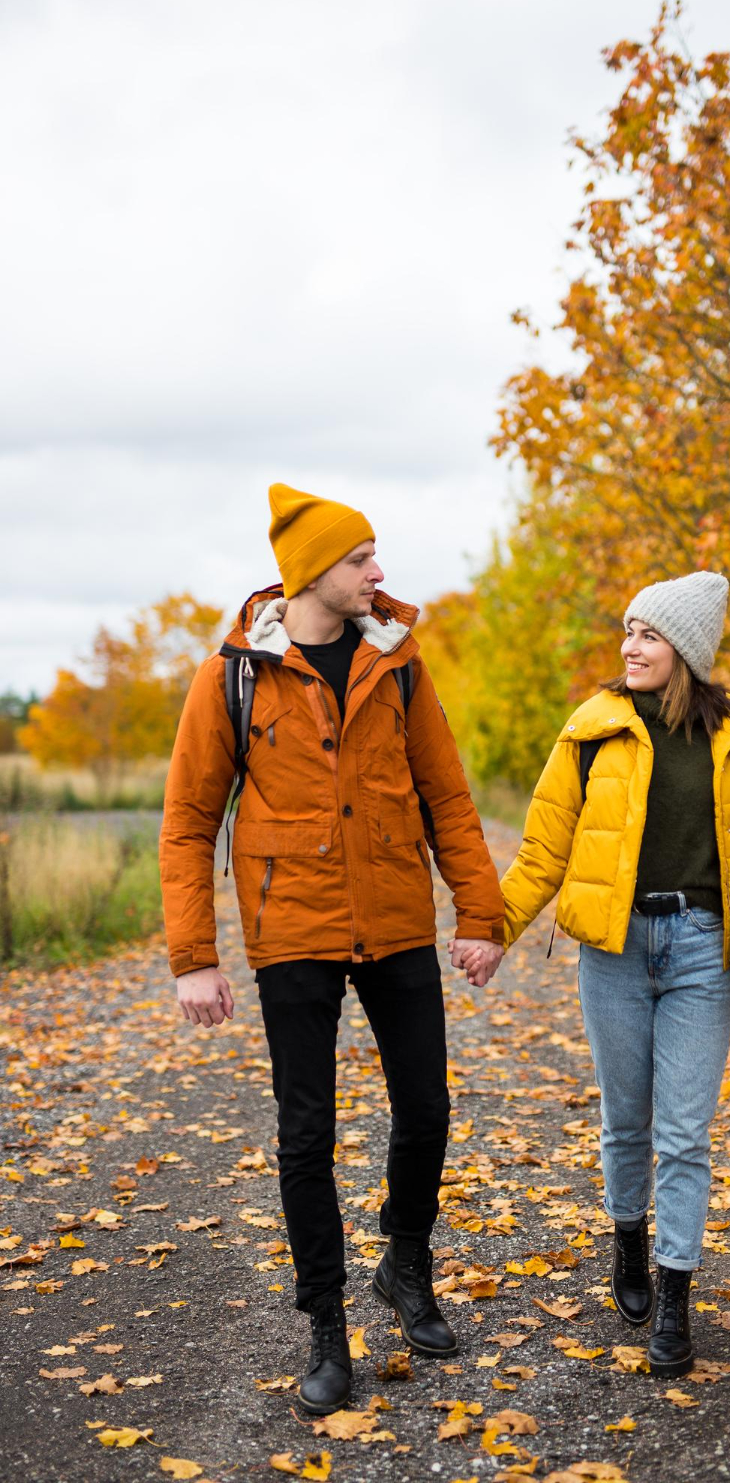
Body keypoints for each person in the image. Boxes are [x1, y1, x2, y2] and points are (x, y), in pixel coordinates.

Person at [159, 483, 504, 1413]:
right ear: (312, 570)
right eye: (361, 560)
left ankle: (405, 1262)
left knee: (425, 1109)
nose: (378, 573)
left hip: (395, 921)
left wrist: (480, 914)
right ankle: (326, 1320)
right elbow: (190, 823)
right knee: (306, 1134)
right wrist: (195, 955)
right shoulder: (233, 675)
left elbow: (449, 795)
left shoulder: (400, 662)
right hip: (294, 931)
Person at [491, 571, 730, 1378]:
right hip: (612, 950)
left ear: (684, 648)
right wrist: (494, 930)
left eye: (647, 633)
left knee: (685, 1133)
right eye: (627, 630)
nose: (629, 646)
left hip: (700, 950)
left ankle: (676, 1298)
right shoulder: (592, 731)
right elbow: (544, 849)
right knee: (627, 1122)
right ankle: (628, 1242)